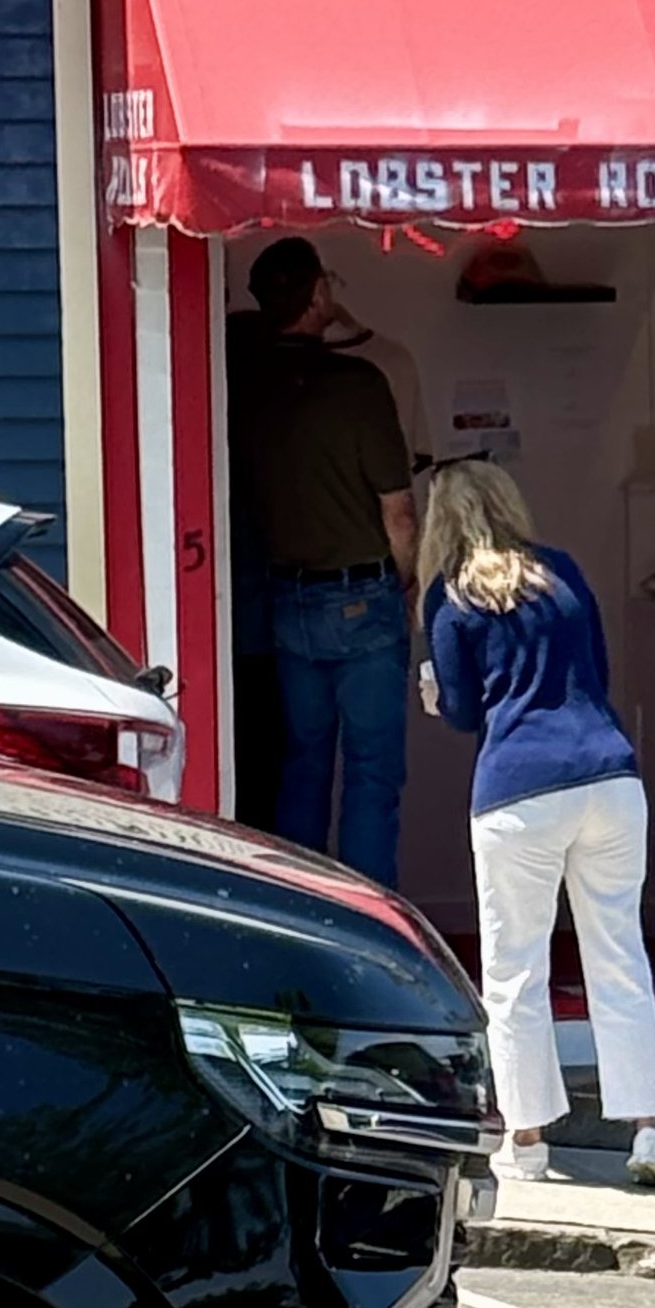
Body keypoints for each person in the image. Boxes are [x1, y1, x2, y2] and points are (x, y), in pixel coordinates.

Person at [419, 459, 655, 1191]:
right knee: (619, 953)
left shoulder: (451, 596)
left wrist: (436, 696)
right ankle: (649, 1131)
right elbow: (598, 669)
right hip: (609, 774)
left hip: (518, 790)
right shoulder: (561, 570)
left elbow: (468, 710)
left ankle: (527, 1141)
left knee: (515, 970)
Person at [230, 236, 418, 884]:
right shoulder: (359, 384)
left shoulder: (245, 380)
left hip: (285, 596)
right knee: (370, 773)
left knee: (303, 765)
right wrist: (409, 582)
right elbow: (399, 510)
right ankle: (369, 928)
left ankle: (305, 915)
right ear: (317, 298)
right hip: (362, 593)